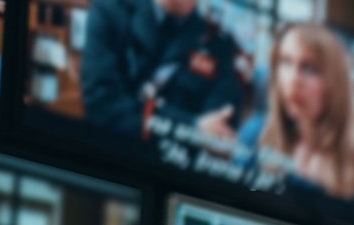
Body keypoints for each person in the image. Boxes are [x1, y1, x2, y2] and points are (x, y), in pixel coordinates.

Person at [238, 23, 354, 213]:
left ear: (335, 84)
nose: (293, 79)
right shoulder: (254, 135)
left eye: (309, 69)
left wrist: (334, 200)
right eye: (286, 62)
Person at [79, 0, 250, 150]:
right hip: (104, 159)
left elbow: (218, 131)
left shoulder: (219, 47)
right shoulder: (111, 12)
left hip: (174, 177)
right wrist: (192, 128)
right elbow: (102, 107)